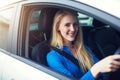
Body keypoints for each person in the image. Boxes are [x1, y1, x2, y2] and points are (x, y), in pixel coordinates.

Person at [46, 9, 120, 80]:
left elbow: (102, 70)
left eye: (75, 24)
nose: (73, 29)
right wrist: (96, 69)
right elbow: (98, 67)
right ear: (58, 27)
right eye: (67, 25)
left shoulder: (84, 48)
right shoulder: (53, 57)